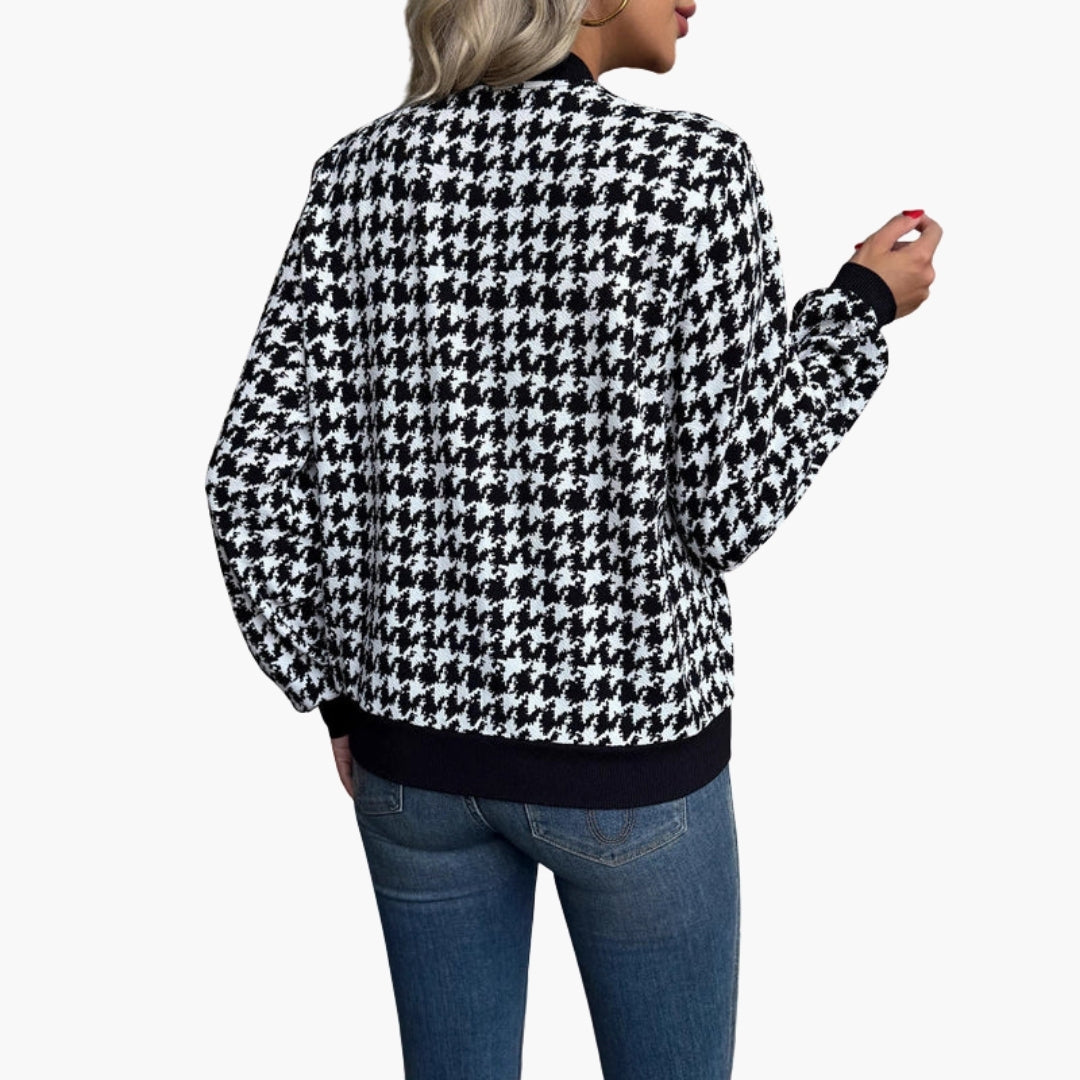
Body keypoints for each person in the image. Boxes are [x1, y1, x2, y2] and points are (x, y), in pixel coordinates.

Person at [204, 0, 941, 1076]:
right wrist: (859, 308)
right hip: (630, 762)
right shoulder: (690, 174)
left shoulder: (357, 178)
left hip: (411, 762)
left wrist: (332, 691)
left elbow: (249, 475)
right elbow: (732, 502)